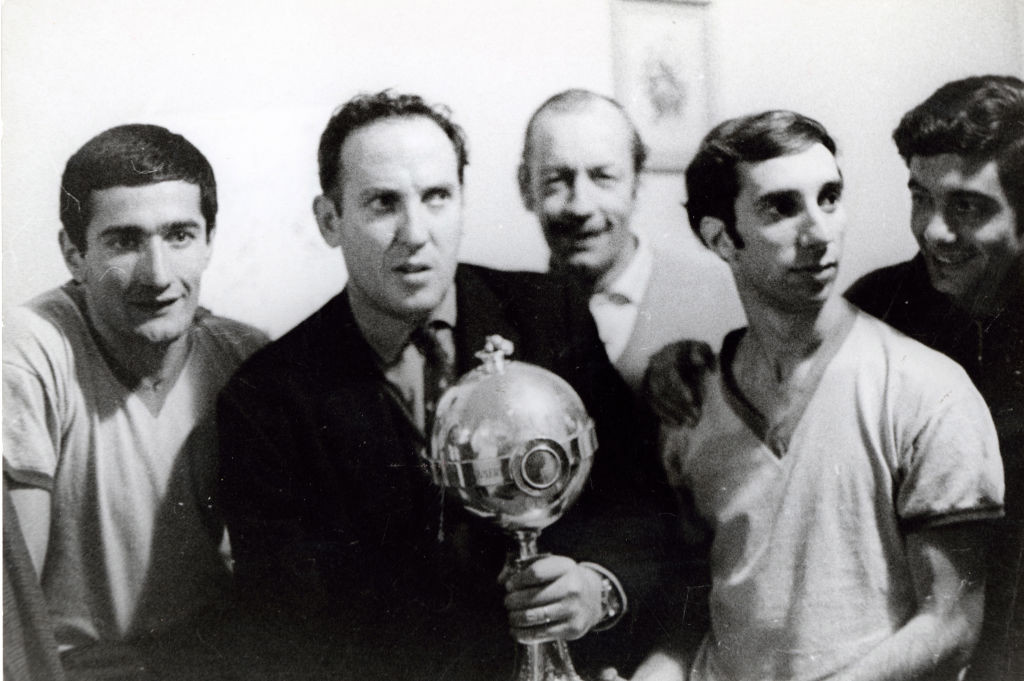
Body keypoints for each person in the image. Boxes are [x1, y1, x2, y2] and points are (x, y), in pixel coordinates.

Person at [216, 91, 667, 680]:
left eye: (436, 197)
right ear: (329, 221)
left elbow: (640, 500)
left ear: (461, 201)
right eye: (383, 203)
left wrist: (597, 587)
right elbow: (290, 630)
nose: (415, 232)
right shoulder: (267, 398)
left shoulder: (550, 314)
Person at [632, 110, 1004, 681]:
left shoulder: (928, 391)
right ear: (721, 238)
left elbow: (951, 625)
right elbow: (693, 604)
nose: (820, 231)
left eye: (830, 198)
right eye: (782, 208)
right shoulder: (690, 400)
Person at [2, 125, 268, 677]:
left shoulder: (244, 357)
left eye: (180, 236)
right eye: (125, 241)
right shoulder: (29, 350)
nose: (157, 274)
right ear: (73, 254)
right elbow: (10, 622)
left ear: (209, 241)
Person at [845, 74, 1024, 680]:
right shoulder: (876, 305)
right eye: (920, 197)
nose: (932, 230)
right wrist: (684, 362)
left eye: (966, 206)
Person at [519, 89, 744, 392]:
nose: (581, 206)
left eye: (603, 177)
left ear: (637, 184)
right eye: (556, 180)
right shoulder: (508, 315)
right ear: (525, 188)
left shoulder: (728, 296)